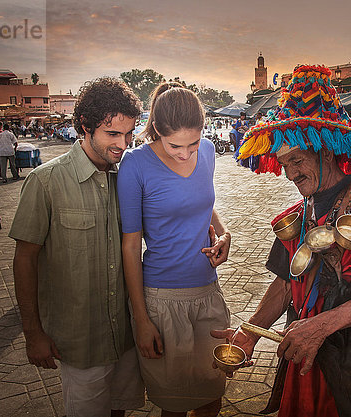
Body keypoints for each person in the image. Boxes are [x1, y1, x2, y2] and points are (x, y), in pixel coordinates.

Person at [214, 65, 351, 417]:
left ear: (326, 152)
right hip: (306, 354)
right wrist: (251, 332)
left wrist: (321, 326)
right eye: (284, 164)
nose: (290, 174)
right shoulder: (302, 210)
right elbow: (287, 284)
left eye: (297, 161)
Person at [9, 77, 145, 417]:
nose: (123, 145)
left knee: (120, 411)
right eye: (112, 134)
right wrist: (33, 333)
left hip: (127, 336)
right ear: (85, 127)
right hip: (80, 343)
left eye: (128, 135)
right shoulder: (45, 182)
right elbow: (24, 260)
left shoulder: (127, 178)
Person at [118, 83, 232, 417]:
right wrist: (141, 319)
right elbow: (130, 245)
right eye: (175, 146)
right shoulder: (134, 165)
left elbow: (203, 204)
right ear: (156, 131)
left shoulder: (208, 151)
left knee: (212, 396)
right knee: (176, 405)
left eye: (192, 144)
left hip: (208, 293)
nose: (185, 153)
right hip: (162, 300)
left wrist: (224, 235)